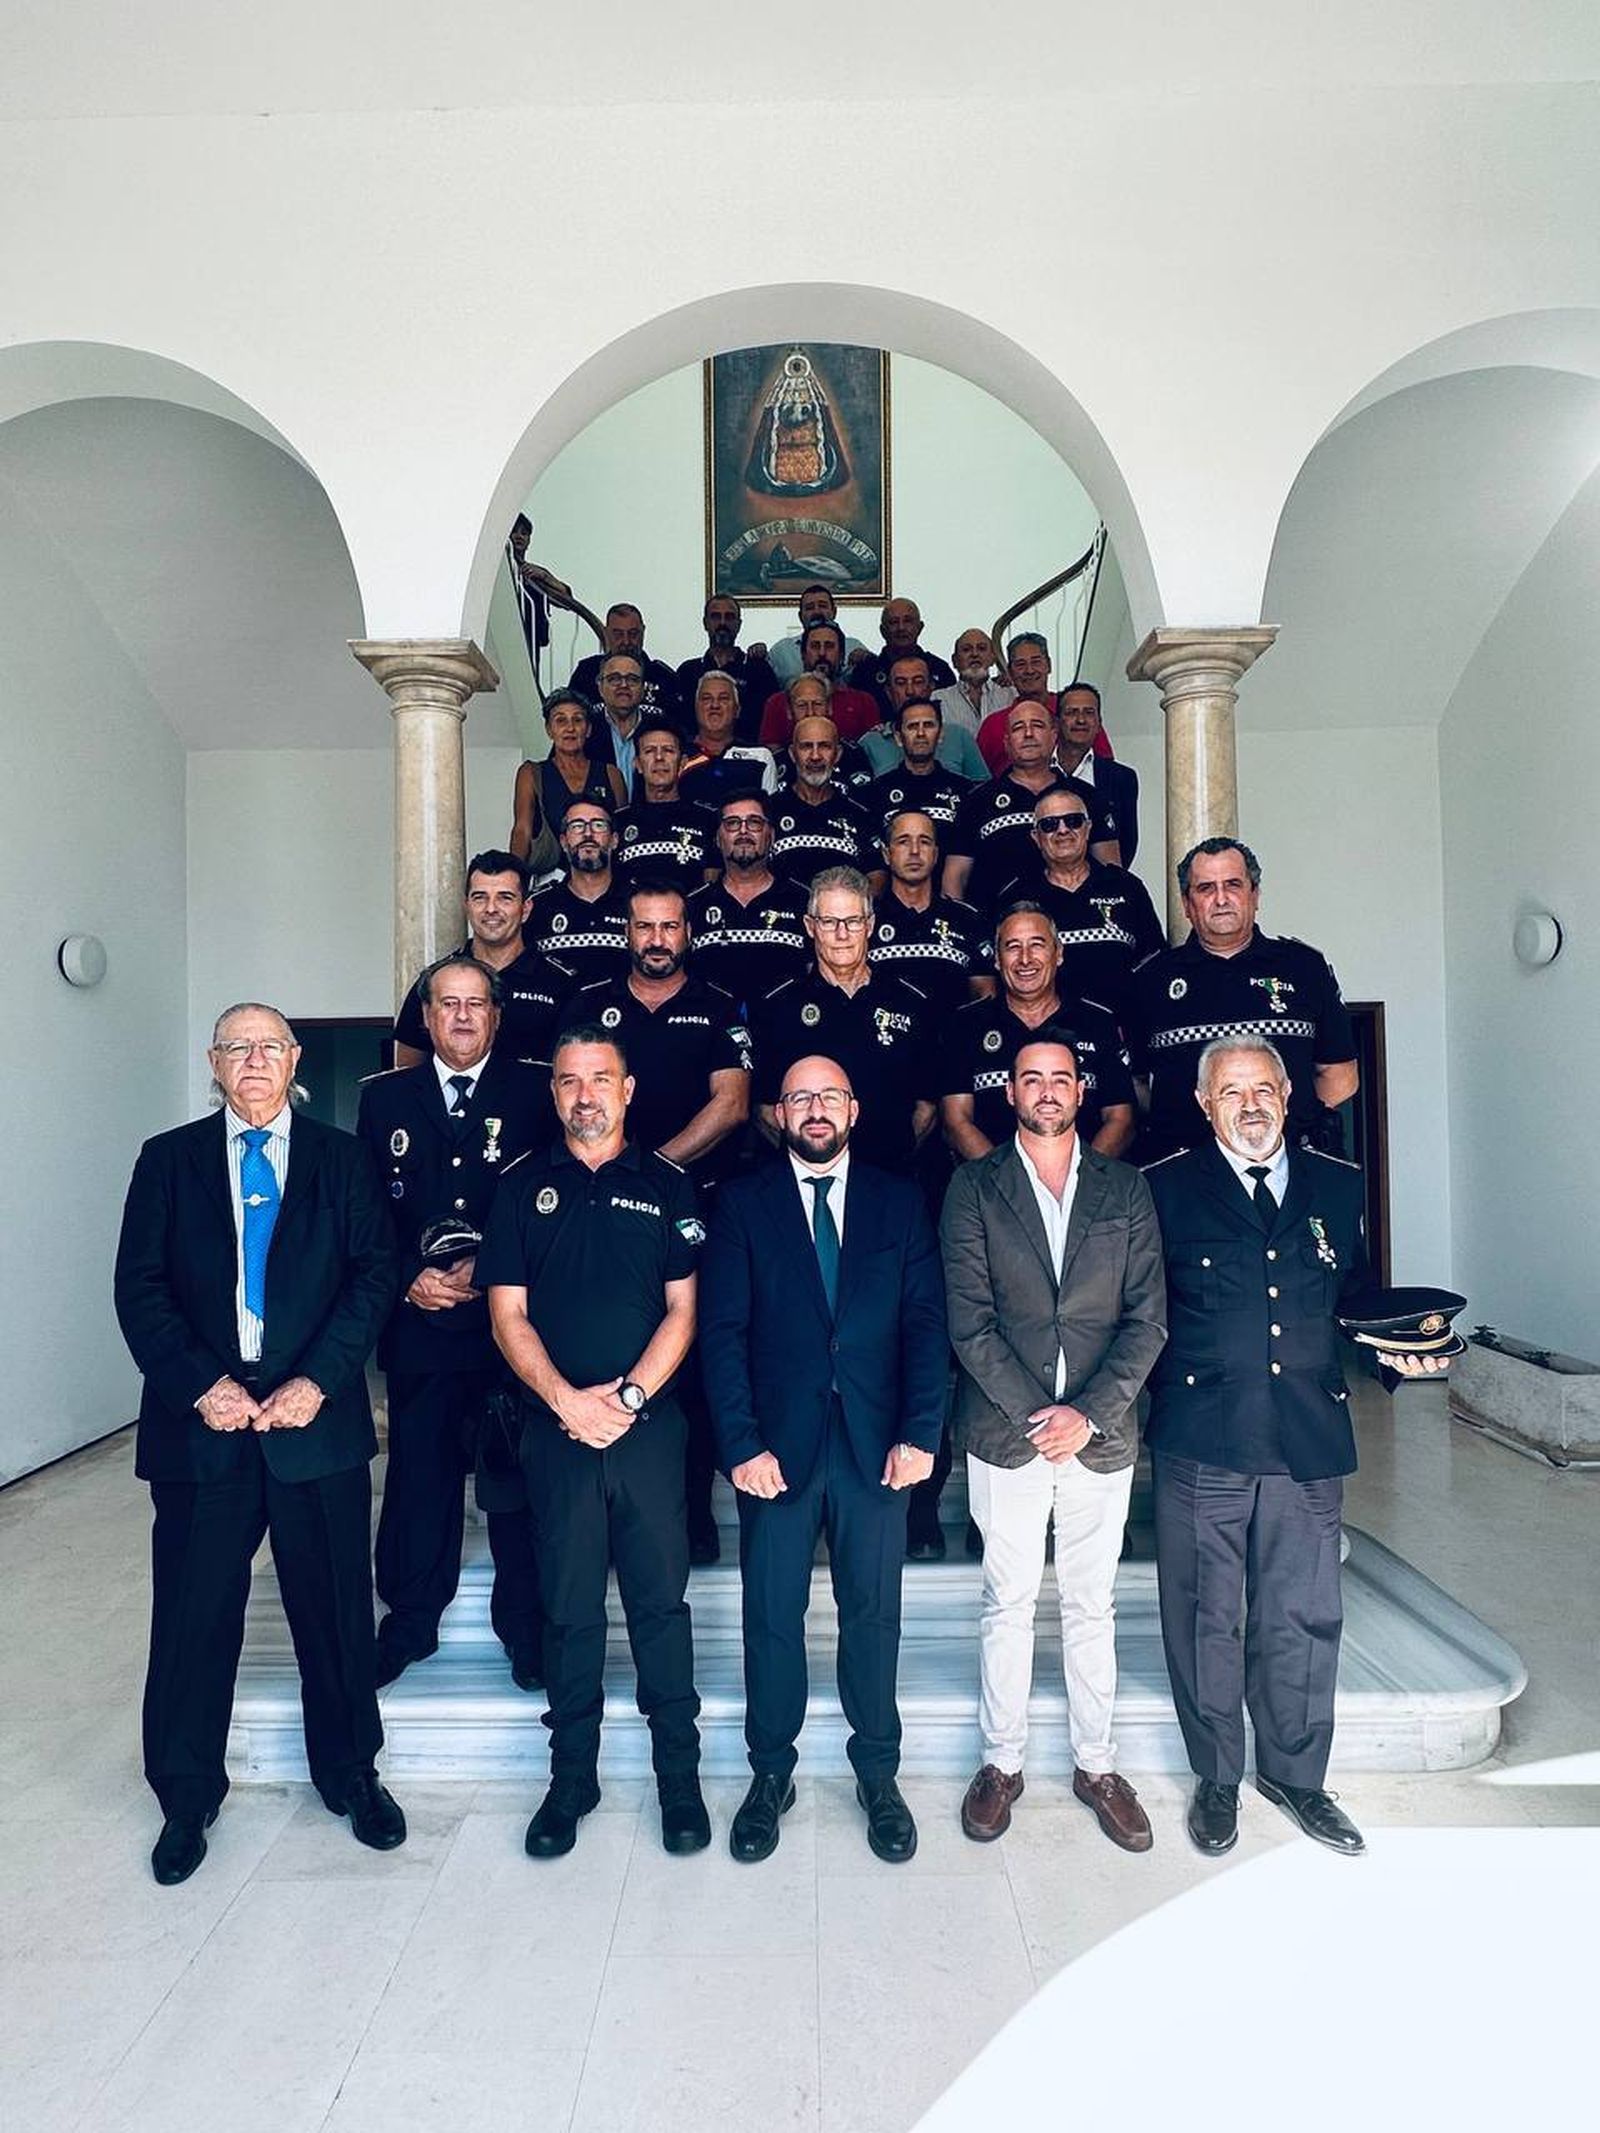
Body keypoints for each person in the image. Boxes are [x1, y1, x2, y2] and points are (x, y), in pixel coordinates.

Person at [113, 1003, 403, 1885]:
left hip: (314, 1425)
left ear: (294, 1059)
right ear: (213, 1061)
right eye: (236, 1046)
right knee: (195, 1619)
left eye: (268, 1046)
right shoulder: (166, 1161)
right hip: (206, 1430)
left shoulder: (343, 1158)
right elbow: (141, 1287)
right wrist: (204, 1386)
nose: (253, 1060)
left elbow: (374, 1277)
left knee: (337, 1615)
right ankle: (185, 1795)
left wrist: (315, 1380)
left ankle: (352, 1773)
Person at [1143, 1039, 1447, 1859]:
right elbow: (1141, 1314)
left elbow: (1354, 1301)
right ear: (1204, 1105)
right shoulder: (1165, 1188)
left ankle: (1296, 1774)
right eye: (1229, 1090)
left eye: (1261, 1087)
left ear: (1286, 1093)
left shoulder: (1336, 1185)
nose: (1248, 1103)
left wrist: (1393, 1355)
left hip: (1308, 1434)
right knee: (1205, 1614)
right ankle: (1216, 1774)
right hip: (1203, 1436)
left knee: (1304, 1613)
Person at [700, 1056, 947, 1864]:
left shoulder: (899, 1201)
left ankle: (878, 1772)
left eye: (828, 1095)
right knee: (771, 1617)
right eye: (799, 1096)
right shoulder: (741, 1204)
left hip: (878, 1450)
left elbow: (925, 1327)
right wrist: (739, 1445)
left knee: (873, 1616)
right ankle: (770, 1774)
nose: (814, 1108)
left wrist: (922, 1433)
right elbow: (723, 1334)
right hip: (775, 1451)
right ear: (776, 1112)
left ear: (853, 1106)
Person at [479, 1025, 709, 1859]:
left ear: (627, 1089)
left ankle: (677, 1779)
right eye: (570, 1080)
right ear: (555, 1093)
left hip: (649, 1434)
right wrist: (567, 1402)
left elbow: (685, 1309)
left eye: (600, 1079)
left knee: (660, 1608)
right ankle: (571, 1777)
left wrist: (633, 1394)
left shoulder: (670, 1184)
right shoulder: (517, 1188)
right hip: (554, 1432)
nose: (585, 1094)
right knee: (569, 1613)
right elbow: (507, 1313)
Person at [941, 1028, 1166, 1850]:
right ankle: (1001, 1763)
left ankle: (1096, 1764)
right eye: (1029, 1078)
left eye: (1059, 1078)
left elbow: (1149, 1319)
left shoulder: (1126, 1189)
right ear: (1011, 1092)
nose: (1045, 1090)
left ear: (1081, 1091)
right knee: (1006, 1600)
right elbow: (970, 1323)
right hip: (1007, 1434)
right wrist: (1044, 1417)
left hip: (1102, 1437)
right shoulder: (973, 1187)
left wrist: (1089, 1413)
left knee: (1090, 1601)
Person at [357, 956, 549, 1691]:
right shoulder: (384, 1100)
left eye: (477, 1004)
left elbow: (551, 1198)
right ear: (428, 1018)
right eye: (448, 1004)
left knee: (515, 1479)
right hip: (421, 1324)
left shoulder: (536, 1090)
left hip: (513, 1329)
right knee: (419, 1476)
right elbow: (365, 1211)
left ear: (497, 1016)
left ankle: (526, 1629)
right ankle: (409, 1620)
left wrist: (493, 1267)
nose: (463, 1016)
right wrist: (410, 1275)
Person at [564, 880, 754, 1562]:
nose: (656, 938)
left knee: (693, 1362)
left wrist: (652, 1170)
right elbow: (568, 1090)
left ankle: (693, 1513)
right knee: (605, 1341)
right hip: (593, 1204)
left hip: (692, 1201)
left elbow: (732, 1104)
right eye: (643, 926)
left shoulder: (716, 1008)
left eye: (669, 926)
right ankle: (602, 1510)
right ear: (627, 932)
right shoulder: (590, 1006)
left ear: (687, 933)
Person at [1125, 838, 1359, 1163]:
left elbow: (1340, 1074)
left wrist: (1268, 1128)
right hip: (1186, 1173)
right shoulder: (1151, 979)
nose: (1221, 899)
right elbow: (1137, 1084)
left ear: (1255, 894)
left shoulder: (1304, 967)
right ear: (1186, 903)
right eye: (1206, 888)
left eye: (1233, 884)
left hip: (1291, 1165)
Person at [751, 866, 937, 1176]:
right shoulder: (777, 1005)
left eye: (852, 921)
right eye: (829, 922)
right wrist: (817, 1167)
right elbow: (764, 1109)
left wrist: (889, 1168)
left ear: (870, 925)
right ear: (810, 926)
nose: (842, 934)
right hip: (808, 1185)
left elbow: (927, 1107)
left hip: (892, 1183)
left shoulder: (911, 1001)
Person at [941, 903, 1136, 1160]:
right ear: (997, 960)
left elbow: (1121, 1119)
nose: (1025, 959)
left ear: (1059, 954)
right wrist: (1006, 1184)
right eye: (1012, 947)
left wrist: (1081, 1184)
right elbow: (956, 1121)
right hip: (990, 1191)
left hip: (1085, 1192)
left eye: (1037, 945)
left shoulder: (1097, 1022)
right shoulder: (965, 1024)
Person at [982, 791, 1164, 1031]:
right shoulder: (1014, 896)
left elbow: (1154, 963)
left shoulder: (1126, 887)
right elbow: (998, 973)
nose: (1062, 830)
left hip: (1120, 1037)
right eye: (1049, 825)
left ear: (1088, 828)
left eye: (1073, 821)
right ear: (1036, 837)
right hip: (1040, 1043)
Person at [393, 848, 573, 1071]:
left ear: (525, 909)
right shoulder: (435, 980)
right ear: (466, 906)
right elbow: (407, 1069)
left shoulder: (560, 982)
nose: (491, 909)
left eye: (505, 898)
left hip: (535, 1105)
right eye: (480, 898)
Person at [943, 701, 1114, 912]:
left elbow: (1112, 869)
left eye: (1037, 725)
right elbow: (955, 878)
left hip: (1076, 921)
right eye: (1018, 728)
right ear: (1006, 743)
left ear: (1054, 736)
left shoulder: (1086, 796)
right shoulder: (977, 800)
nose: (1028, 734)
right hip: (997, 928)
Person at [686, 791, 810, 1018]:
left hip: (788, 1034)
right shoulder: (693, 905)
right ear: (717, 838)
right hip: (711, 1038)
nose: (743, 831)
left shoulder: (803, 900)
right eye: (732, 824)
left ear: (771, 835)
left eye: (754, 822)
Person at [868, 809, 987, 1018]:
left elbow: (985, 996)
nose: (914, 851)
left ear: (935, 855)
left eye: (924, 842)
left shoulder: (967, 919)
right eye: (903, 841)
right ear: (887, 855)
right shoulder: (865, 920)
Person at [523, 800, 631, 986]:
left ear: (614, 840)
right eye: (577, 826)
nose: (588, 834)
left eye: (598, 825)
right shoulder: (538, 905)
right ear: (563, 841)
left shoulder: (638, 902)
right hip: (555, 1014)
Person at [769, 714, 880, 891]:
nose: (815, 756)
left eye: (824, 746)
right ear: (792, 754)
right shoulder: (769, 811)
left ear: (838, 754)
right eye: (806, 747)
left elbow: (876, 879)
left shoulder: (860, 815)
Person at [510, 689, 626, 857]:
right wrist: (515, 875)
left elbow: (620, 828)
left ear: (588, 729)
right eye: (561, 721)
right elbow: (522, 830)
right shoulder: (532, 774)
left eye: (577, 720)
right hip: (551, 874)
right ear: (549, 730)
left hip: (601, 871)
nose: (570, 728)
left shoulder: (611, 774)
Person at [612, 718, 714, 889]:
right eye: (650, 751)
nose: (659, 758)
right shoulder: (618, 822)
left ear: (682, 763)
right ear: (637, 764)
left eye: (668, 750)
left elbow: (712, 885)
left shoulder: (707, 820)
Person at [858, 657, 988, 781]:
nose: (910, 691)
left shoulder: (959, 736)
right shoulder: (870, 742)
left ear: (931, 687)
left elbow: (983, 791)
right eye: (901, 683)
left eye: (918, 682)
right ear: (888, 691)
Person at [1054, 681, 1139, 867]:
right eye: (1071, 712)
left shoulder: (1122, 778)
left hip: (1100, 886)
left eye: (1089, 712)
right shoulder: (1040, 772)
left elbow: (1127, 843)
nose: (1081, 720)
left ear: (1099, 722)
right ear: (1057, 722)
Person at [673, 593, 777, 739]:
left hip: (748, 754)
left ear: (739, 624)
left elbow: (771, 721)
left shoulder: (759, 670)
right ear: (705, 623)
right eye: (716, 617)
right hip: (695, 754)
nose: (722, 623)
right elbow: (679, 721)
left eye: (729, 617)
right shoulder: (688, 672)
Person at [861, 691, 980, 816]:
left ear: (940, 735)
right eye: (912, 726)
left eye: (928, 725)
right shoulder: (878, 791)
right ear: (898, 738)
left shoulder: (964, 789)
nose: (921, 733)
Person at [759, 624, 879, 746]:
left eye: (829, 646)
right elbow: (771, 752)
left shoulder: (864, 702)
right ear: (803, 655)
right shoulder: (777, 702)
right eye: (815, 646)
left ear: (842, 655)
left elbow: (873, 751)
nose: (822, 653)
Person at [678, 669, 780, 808]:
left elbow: (768, 815)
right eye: (707, 698)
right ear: (696, 708)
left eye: (724, 699)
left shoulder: (760, 756)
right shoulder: (677, 755)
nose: (715, 706)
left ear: (737, 710)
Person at [568, 602, 680, 723]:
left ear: (643, 632)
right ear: (606, 633)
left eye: (633, 634)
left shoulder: (664, 677)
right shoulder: (586, 673)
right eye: (618, 635)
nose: (626, 641)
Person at [855, 596, 957, 715]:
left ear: (920, 628)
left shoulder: (939, 669)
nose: (901, 628)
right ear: (883, 631)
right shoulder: (864, 672)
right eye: (894, 622)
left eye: (908, 621)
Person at [764, 582, 868, 684]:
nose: (817, 612)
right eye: (809, 608)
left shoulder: (854, 646)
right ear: (800, 616)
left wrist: (867, 659)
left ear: (834, 612)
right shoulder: (781, 651)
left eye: (822, 606)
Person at [583, 649, 651, 793]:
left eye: (632, 679)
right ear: (600, 687)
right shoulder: (584, 730)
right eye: (614, 679)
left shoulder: (658, 728)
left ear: (643, 688)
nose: (623, 685)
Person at [933, 627, 1015, 744]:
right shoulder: (938, 699)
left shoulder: (1011, 695)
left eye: (981, 649)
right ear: (955, 661)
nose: (974, 654)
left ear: (993, 658)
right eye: (966, 650)